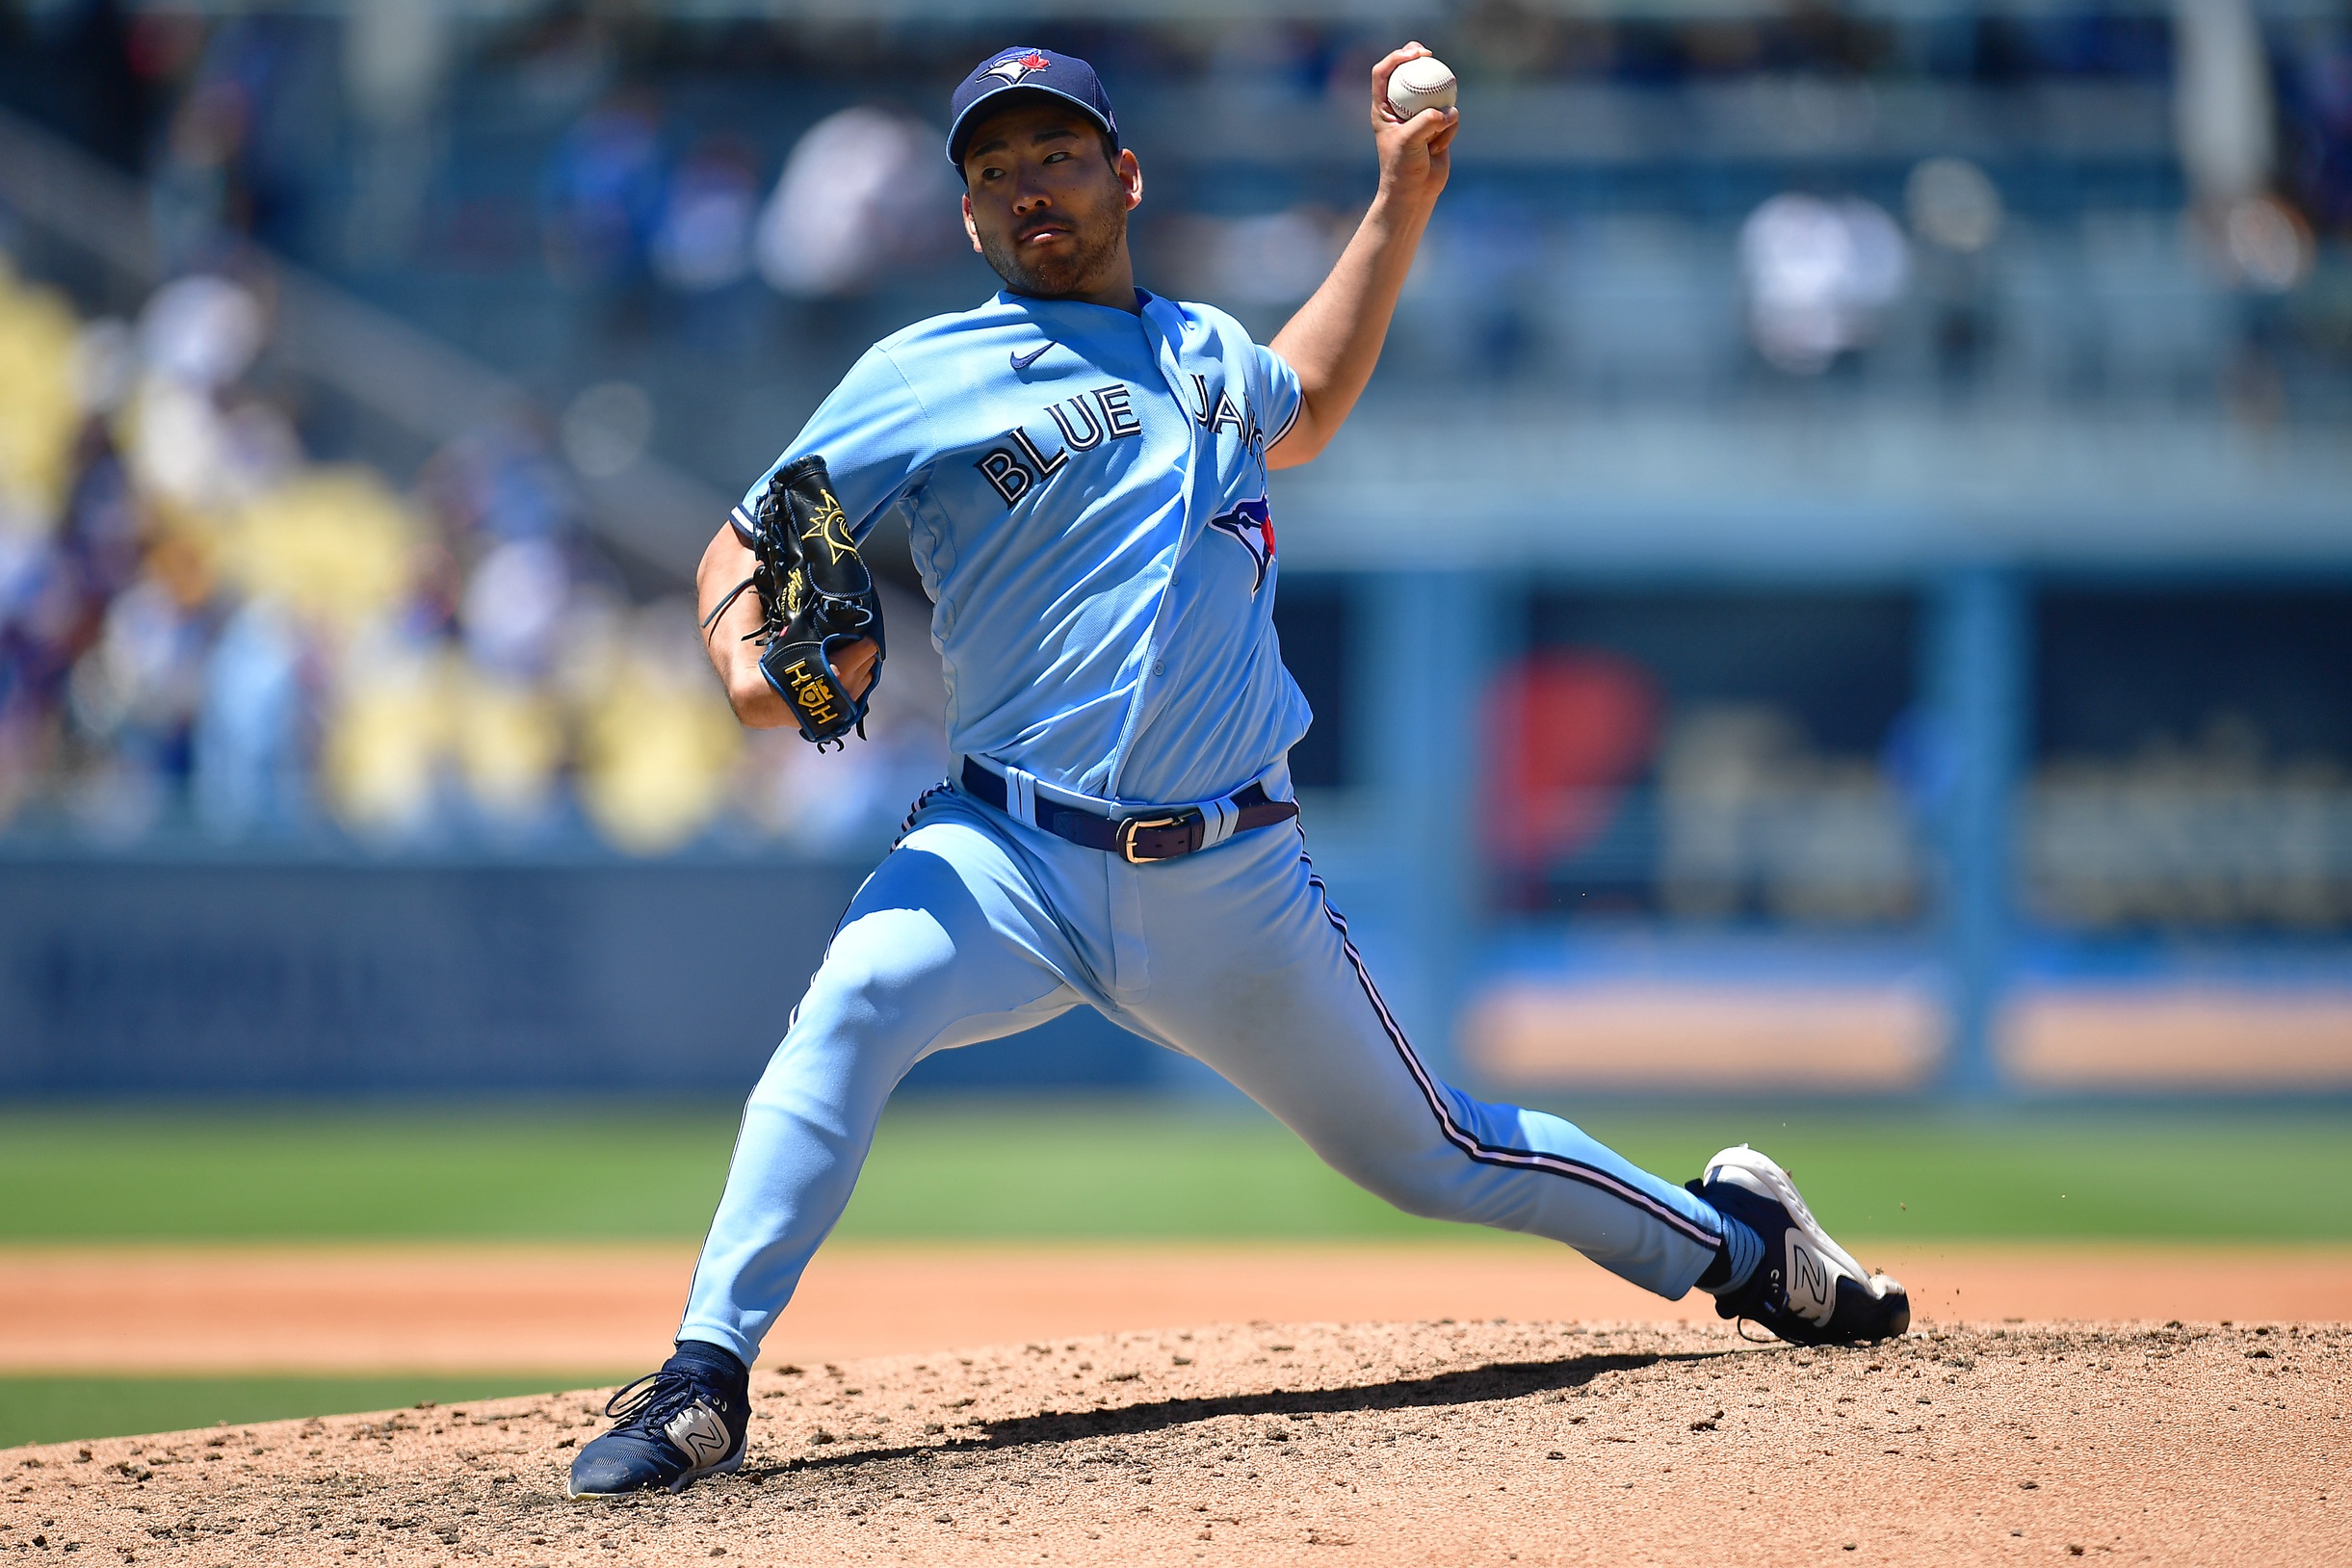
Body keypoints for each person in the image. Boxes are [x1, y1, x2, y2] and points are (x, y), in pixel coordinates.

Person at [569, 42, 1907, 1499]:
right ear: (964, 215)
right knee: (856, 1001)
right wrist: (744, 663)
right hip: (1005, 853)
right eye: (995, 168)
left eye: (1056, 153)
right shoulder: (919, 376)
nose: (1029, 185)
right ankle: (703, 1381)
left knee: (1436, 1156)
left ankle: (1738, 1243)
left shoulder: (1205, 349)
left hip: (1231, 883)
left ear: (1123, 174)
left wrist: (1398, 198)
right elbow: (741, 544)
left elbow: (1311, 401)